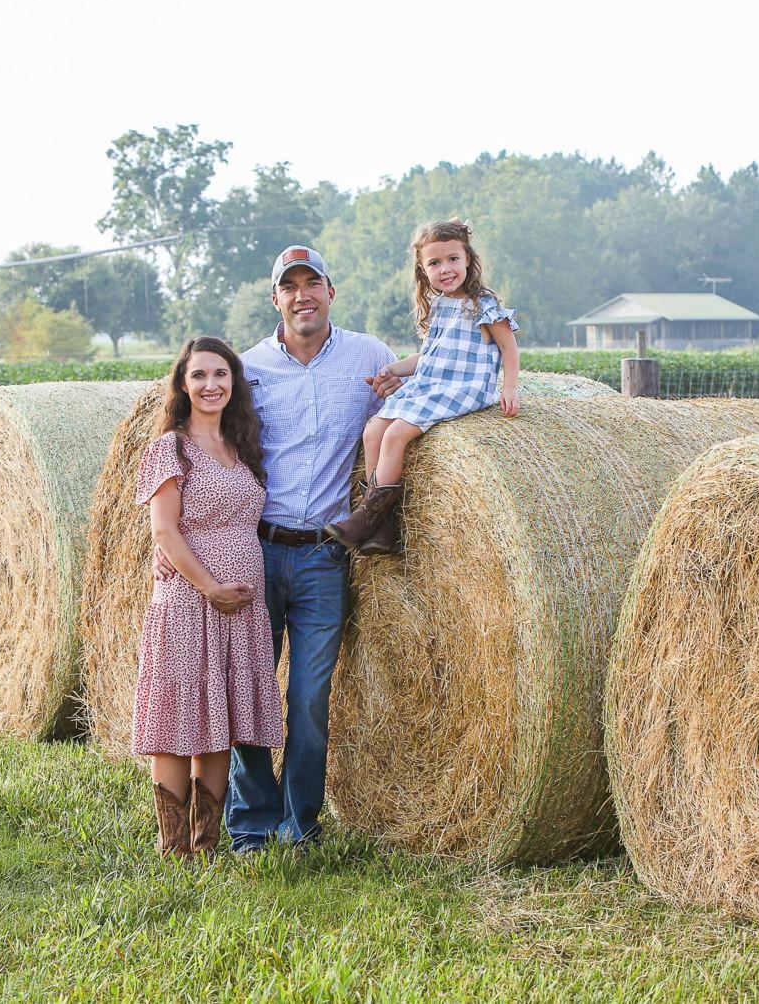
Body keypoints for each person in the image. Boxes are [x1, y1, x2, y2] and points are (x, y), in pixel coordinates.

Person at [220, 244, 397, 852]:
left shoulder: (370, 357)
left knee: (308, 696)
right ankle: (251, 822)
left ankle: (302, 824)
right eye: (289, 286)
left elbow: (424, 401)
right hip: (254, 550)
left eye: (312, 283)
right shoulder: (246, 370)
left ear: (330, 291)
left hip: (325, 554)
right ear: (276, 299)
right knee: (250, 689)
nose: (303, 295)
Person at [132, 336, 284, 857]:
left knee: (222, 721)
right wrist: (211, 588)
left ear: (234, 382)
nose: (210, 385)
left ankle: (207, 844)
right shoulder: (169, 449)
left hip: (239, 611)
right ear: (181, 384)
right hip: (187, 604)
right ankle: (174, 847)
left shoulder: (239, 446)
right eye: (199, 375)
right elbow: (165, 533)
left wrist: (232, 594)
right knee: (179, 722)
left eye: (220, 374)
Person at [324, 219, 520, 554]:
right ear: (422, 269)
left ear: (468, 259)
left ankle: (366, 518)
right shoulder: (439, 307)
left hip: (462, 387)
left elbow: (509, 348)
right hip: (430, 384)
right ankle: (382, 527)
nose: (446, 269)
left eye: (453, 259)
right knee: (373, 430)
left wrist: (510, 388)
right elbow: (427, 356)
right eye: (435, 263)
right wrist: (390, 368)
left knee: (397, 433)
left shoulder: (483, 305)